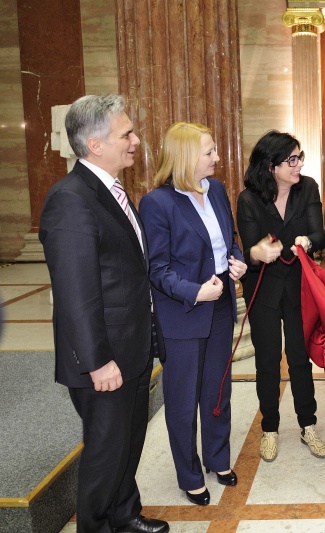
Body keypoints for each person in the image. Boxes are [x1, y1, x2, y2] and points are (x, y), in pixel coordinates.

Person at [38, 94, 169, 533]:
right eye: (126, 133)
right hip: (104, 358)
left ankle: (124, 515)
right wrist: (97, 361)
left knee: (128, 444)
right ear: (95, 145)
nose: (135, 140)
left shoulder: (109, 190)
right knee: (104, 453)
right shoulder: (71, 199)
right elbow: (77, 294)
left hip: (129, 347)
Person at [138, 122, 247, 506]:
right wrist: (195, 291)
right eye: (210, 152)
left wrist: (236, 261)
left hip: (219, 305)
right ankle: (189, 475)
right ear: (186, 157)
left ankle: (218, 459)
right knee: (183, 401)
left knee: (218, 391)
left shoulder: (216, 190)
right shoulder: (157, 203)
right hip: (183, 313)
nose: (217, 158)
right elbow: (157, 268)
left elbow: (229, 241)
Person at [236, 130, 325, 463]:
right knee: (268, 360)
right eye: (292, 159)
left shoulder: (308, 188)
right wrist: (260, 251)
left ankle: (308, 424)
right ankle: (270, 428)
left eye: (300, 157)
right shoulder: (248, 199)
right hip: (263, 288)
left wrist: (308, 241)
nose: (298, 164)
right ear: (271, 165)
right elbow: (251, 251)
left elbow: (320, 234)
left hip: (299, 286)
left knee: (300, 358)